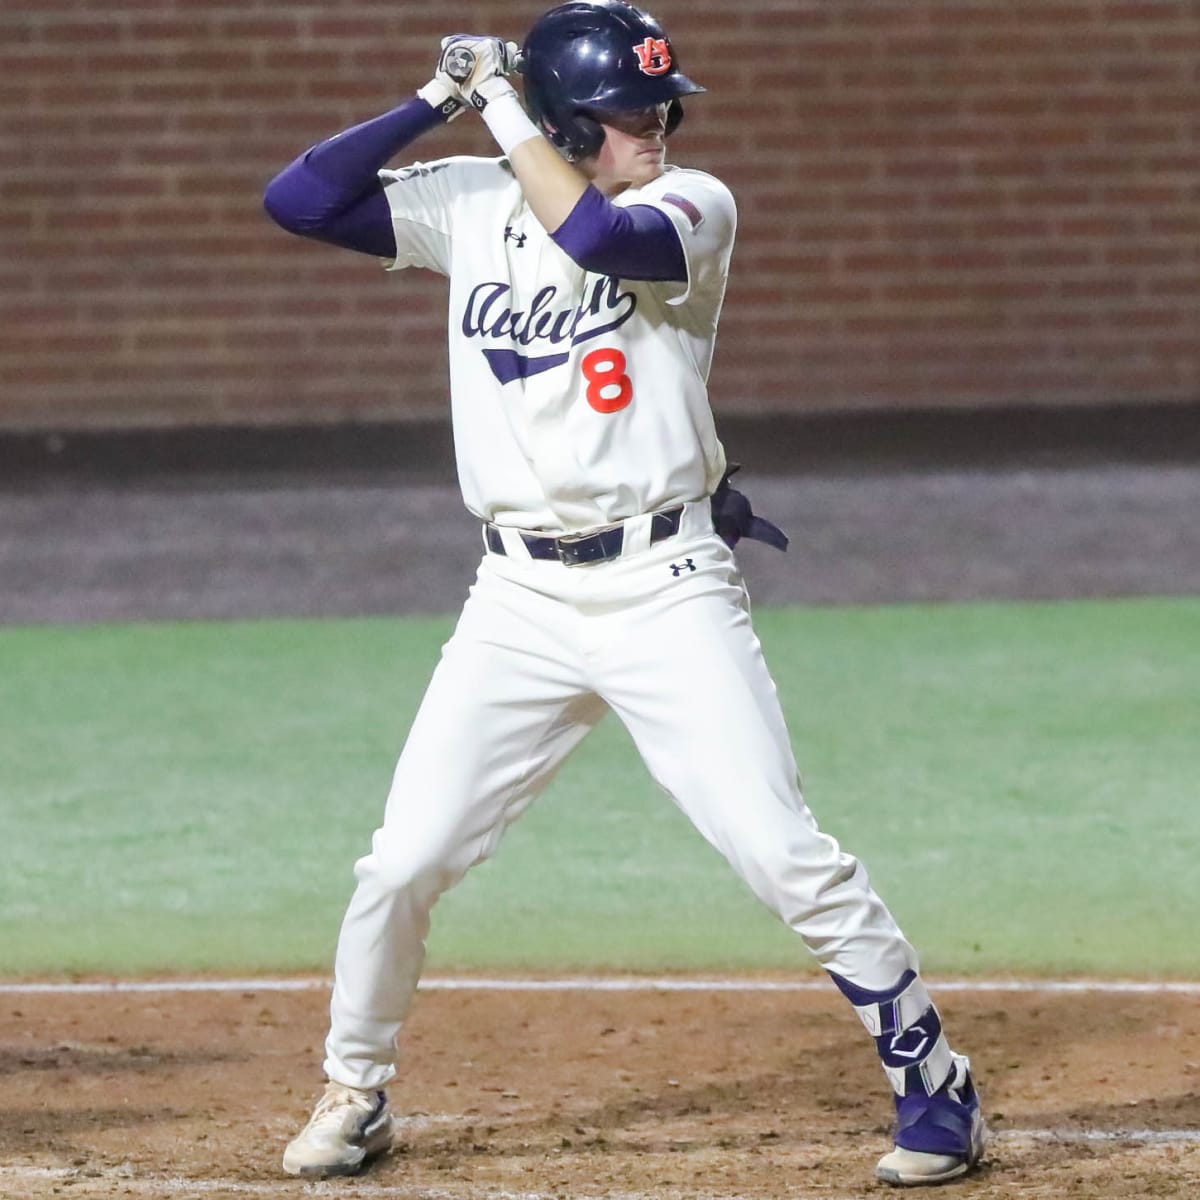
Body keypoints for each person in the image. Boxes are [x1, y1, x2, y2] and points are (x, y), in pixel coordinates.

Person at [263, 1, 986, 1187]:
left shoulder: (691, 203)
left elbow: (601, 242)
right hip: (518, 602)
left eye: (663, 105)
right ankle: (356, 1089)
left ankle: (933, 1079)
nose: (657, 124)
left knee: (778, 850)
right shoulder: (468, 201)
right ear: (563, 118)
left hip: (667, 585)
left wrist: (504, 110)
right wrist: (437, 102)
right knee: (403, 861)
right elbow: (299, 202)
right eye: (626, 113)